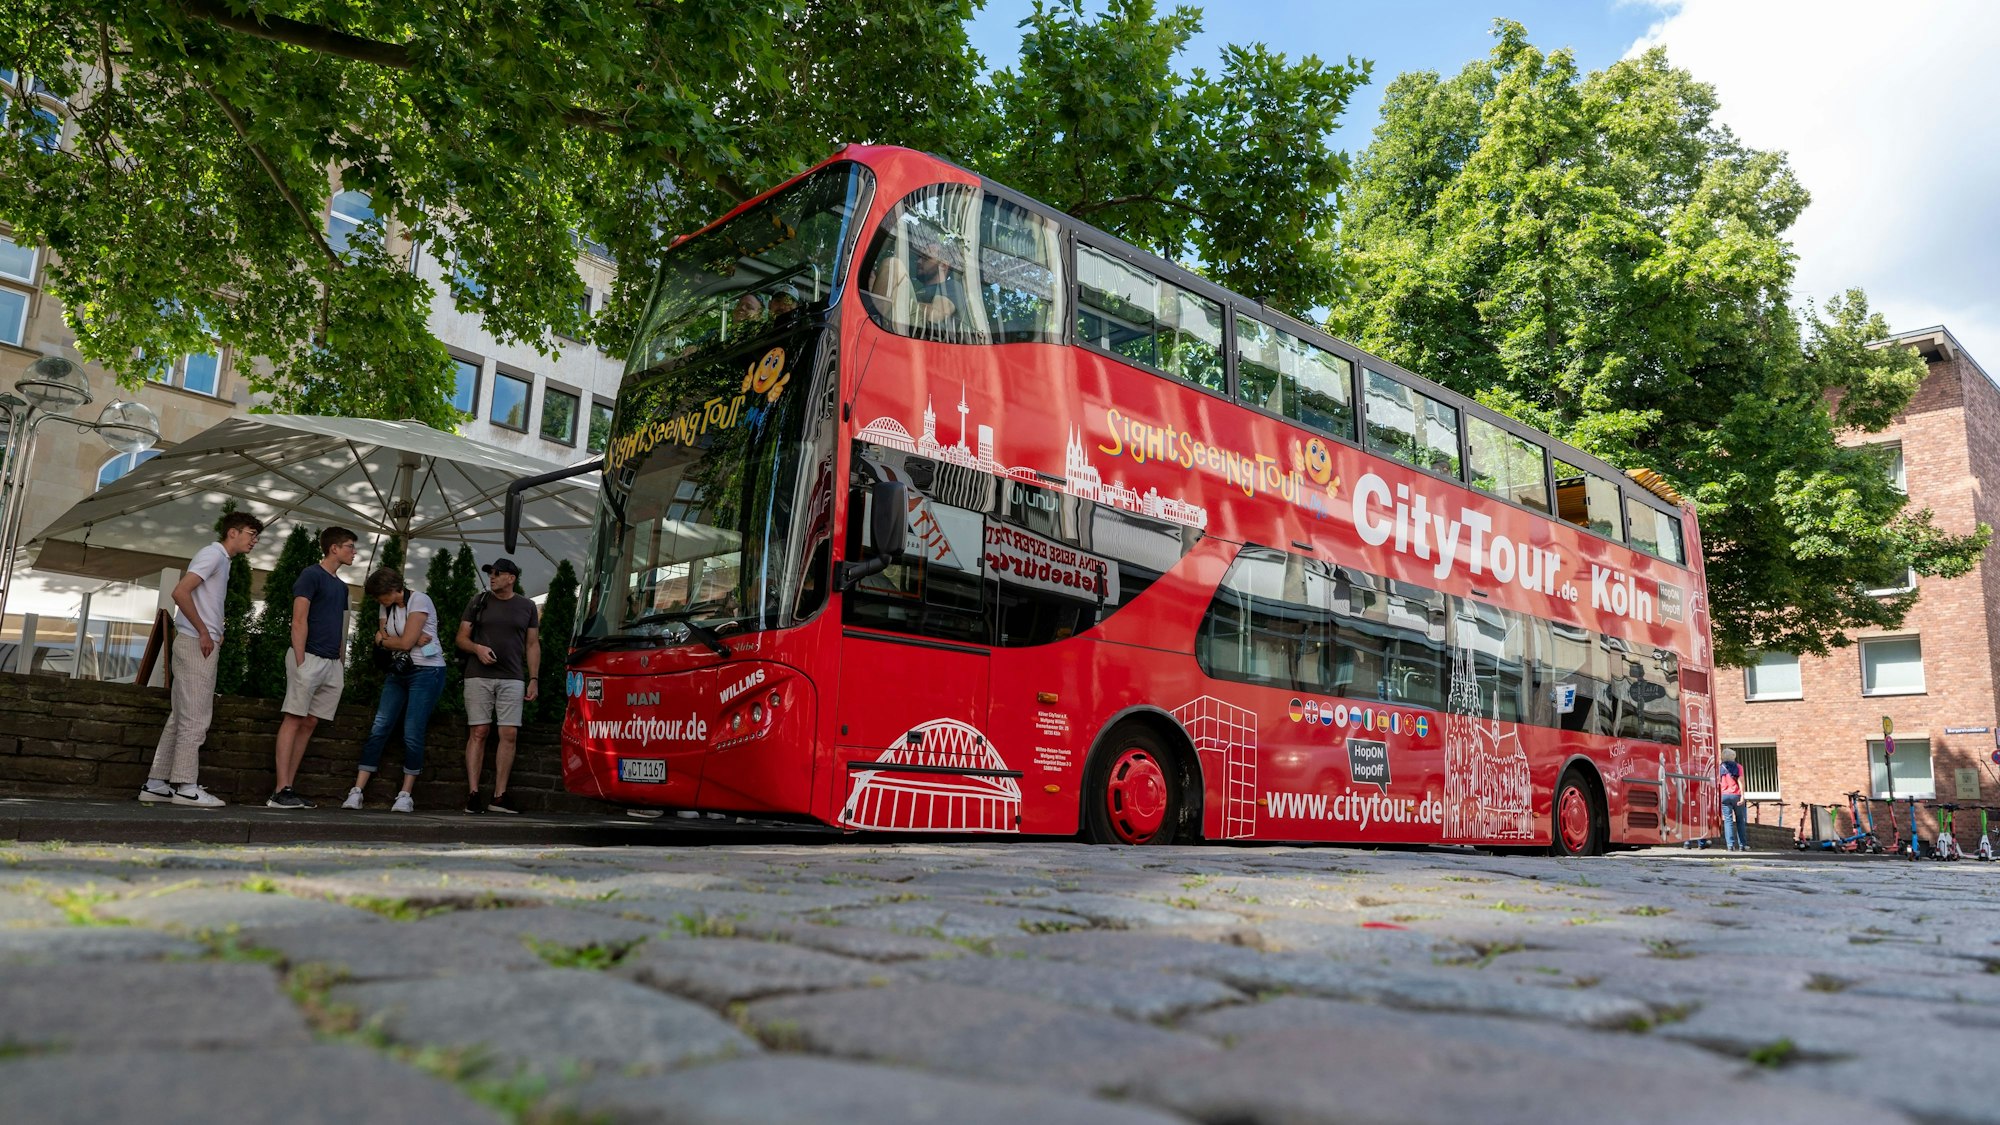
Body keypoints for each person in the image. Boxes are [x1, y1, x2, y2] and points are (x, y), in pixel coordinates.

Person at [139, 510, 264, 808]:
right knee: (196, 718)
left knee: (180, 717)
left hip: (196, 642)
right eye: (251, 534)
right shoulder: (213, 555)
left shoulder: (220, 559)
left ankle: (156, 784)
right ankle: (186, 787)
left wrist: (211, 629)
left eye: (256, 536)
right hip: (198, 644)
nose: (254, 541)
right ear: (232, 532)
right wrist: (204, 632)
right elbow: (180, 592)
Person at [340, 568, 448, 813]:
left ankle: (405, 794)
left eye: (380, 596)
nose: (379, 602)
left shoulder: (420, 600)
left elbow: (399, 641)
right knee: (380, 726)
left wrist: (391, 640)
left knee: (412, 730)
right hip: (398, 671)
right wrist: (394, 640)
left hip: (427, 671)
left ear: (391, 590)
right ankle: (356, 791)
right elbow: (385, 638)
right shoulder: (386, 606)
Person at [269, 526, 357, 808]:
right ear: (334, 548)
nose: (353, 552)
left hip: (332, 663)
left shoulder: (342, 587)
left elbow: (341, 627)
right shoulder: (311, 575)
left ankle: (288, 790)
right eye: (350, 547)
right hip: (307, 657)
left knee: (309, 722)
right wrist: (300, 661)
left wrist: (340, 662)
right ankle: (280, 790)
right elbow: (299, 619)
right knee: (294, 718)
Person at [458, 557, 540, 814]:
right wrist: (477, 648)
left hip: (513, 677)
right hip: (477, 675)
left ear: (511, 578)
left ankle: (499, 797)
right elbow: (461, 638)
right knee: (479, 731)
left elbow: (532, 644)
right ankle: (473, 794)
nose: (492, 577)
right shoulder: (478, 601)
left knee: (509, 734)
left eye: (497, 573)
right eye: (490, 573)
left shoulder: (527, 606)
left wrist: (534, 679)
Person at [1718, 746, 1748, 851]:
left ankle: (1730, 845)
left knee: (1728, 820)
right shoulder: (1738, 766)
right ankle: (1742, 845)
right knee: (1740, 820)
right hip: (1736, 795)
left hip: (1724, 796)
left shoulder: (1719, 767)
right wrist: (1743, 796)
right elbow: (1741, 781)